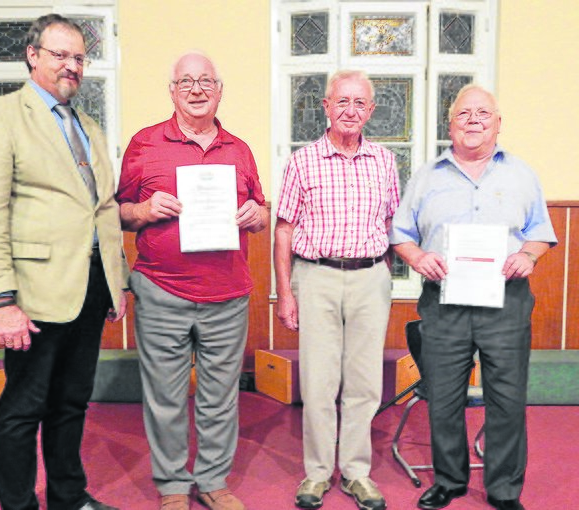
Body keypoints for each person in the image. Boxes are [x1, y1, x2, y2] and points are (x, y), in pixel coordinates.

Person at [0, 14, 128, 510]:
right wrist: (1, 300)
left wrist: (114, 286)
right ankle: (18, 505)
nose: (72, 66)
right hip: (32, 294)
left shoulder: (88, 125)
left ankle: (68, 498)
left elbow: (103, 209)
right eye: (61, 55)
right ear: (33, 55)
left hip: (89, 288)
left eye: (79, 57)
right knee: (22, 408)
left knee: (72, 403)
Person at [390, 84, 556, 510]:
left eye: (483, 113)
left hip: (507, 301)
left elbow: (539, 233)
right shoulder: (427, 175)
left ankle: (503, 490)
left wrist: (527, 255)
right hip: (445, 302)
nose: (474, 120)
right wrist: (419, 256)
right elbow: (401, 235)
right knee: (443, 398)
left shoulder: (521, 174)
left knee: (508, 399)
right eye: (464, 114)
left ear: (498, 123)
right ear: (451, 124)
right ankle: (449, 481)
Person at [116, 52, 268, 510]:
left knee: (220, 397)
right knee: (165, 396)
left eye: (206, 81)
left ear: (220, 90)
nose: (197, 89)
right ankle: (173, 487)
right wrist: (143, 210)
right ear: (172, 91)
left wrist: (257, 215)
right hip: (161, 291)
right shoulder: (144, 144)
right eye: (186, 82)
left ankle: (214, 481)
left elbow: (262, 210)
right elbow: (118, 211)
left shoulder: (239, 149)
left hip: (228, 295)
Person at [274, 70, 399, 510]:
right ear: (326, 107)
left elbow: (392, 224)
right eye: (341, 101)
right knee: (319, 381)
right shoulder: (302, 161)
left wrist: (383, 275)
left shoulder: (384, 161)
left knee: (364, 383)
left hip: (369, 278)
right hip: (317, 276)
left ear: (371, 110)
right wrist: (286, 293)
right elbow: (284, 229)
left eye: (360, 103)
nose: (350, 110)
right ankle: (317, 473)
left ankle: (357, 472)